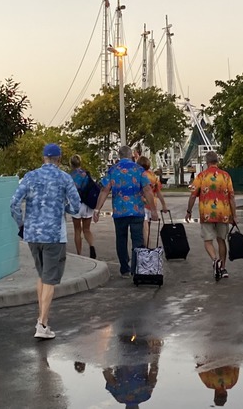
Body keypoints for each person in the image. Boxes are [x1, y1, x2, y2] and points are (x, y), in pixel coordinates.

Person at [10, 143, 80, 339]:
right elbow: (76, 207)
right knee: (50, 279)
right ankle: (41, 324)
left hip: (32, 234)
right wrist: (63, 207)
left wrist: (21, 224)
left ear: (44, 158)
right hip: (54, 236)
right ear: (59, 159)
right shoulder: (64, 178)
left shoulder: (30, 177)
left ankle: (44, 321)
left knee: (42, 276)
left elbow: (14, 202)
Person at [93, 144, 155, 278]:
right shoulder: (139, 169)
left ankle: (125, 269)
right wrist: (154, 210)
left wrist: (97, 209)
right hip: (137, 210)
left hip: (119, 211)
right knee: (137, 240)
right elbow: (147, 190)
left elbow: (104, 190)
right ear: (131, 155)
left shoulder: (113, 170)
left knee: (121, 239)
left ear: (119, 156)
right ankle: (136, 268)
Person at [185, 150, 238, 281]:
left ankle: (215, 260)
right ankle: (223, 268)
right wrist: (234, 215)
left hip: (207, 213)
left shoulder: (201, 176)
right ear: (217, 161)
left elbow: (193, 195)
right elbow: (231, 197)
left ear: (207, 162)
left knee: (208, 241)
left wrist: (189, 211)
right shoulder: (226, 176)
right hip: (223, 213)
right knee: (221, 240)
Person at [68, 154, 98, 259]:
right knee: (87, 229)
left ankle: (79, 254)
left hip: (76, 205)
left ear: (71, 164)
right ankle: (92, 246)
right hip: (88, 205)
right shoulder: (86, 174)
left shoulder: (70, 176)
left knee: (77, 230)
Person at [137, 156, 168, 247]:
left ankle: (146, 248)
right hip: (152, 203)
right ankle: (148, 246)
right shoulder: (153, 176)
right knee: (148, 229)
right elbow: (158, 192)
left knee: (144, 228)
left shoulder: (139, 175)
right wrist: (164, 204)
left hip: (142, 203)